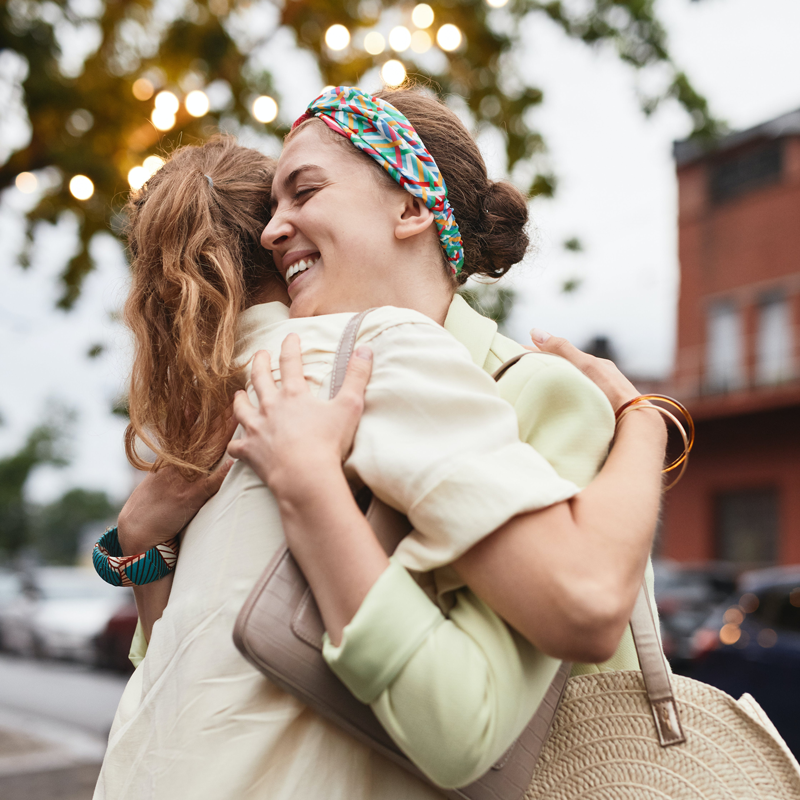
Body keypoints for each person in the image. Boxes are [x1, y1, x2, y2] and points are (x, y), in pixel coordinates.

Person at [95, 89, 667, 800]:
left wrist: (645, 417)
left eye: (303, 192)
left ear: (411, 207)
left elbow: (555, 634)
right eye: (271, 208)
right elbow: (187, 684)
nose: (275, 230)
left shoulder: (528, 389)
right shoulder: (291, 388)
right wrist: (141, 546)